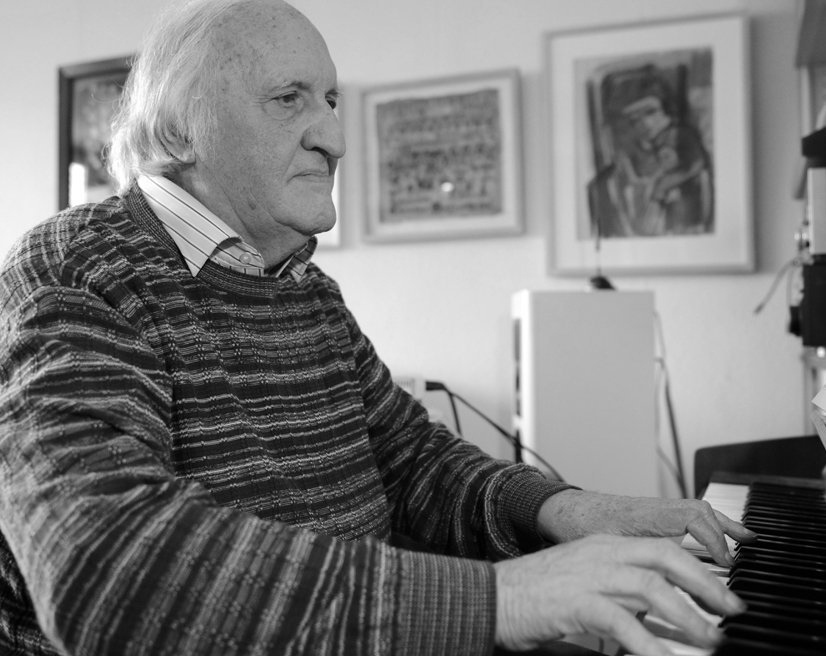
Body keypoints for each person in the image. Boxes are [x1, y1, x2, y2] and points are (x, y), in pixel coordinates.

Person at [0, 1, 755, 655]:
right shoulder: (78, 269)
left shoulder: (305, 286)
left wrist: (564, 511)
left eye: (331, 99)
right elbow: (105, 567)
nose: (335, 137)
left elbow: (409, 459)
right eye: (290, 98)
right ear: (181, 127)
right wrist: (503, 601)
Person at [588, 65, 713, 239]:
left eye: (651, 112)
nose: (645, 125)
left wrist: (662, 188)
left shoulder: (691, 163)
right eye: (633, 120)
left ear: (668, 113)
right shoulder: (606, 184)